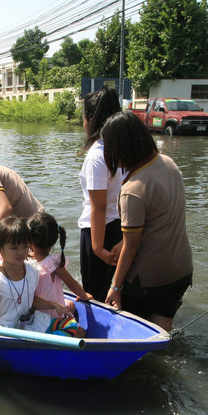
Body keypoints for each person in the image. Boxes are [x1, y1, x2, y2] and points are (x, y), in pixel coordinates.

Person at [102, 111, 193, 332]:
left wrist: (115, 287)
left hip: (149, 280)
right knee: (161, 330)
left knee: (130, 329)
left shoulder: (133, 189)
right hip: (181, 271)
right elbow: (160, 219)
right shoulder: (169, 163)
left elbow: (132, 246)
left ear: (122, 148)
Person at [0, 216, 72, 333]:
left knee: (71, 325)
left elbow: (31, 300)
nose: (21, 252)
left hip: (30, 323)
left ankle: (48, 344)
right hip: (7, 330)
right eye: (14, 248)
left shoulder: (31, 270)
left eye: (25, 246)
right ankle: (48, 344)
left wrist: (55, 305)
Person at [77, 87, 125, 301]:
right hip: (122, 229)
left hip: (98, 233)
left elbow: (99, 207)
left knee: (95, 295)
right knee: (117, 293)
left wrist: (97, 249)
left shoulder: (97, 155)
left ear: (90, 119)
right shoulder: (123, 150)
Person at [27, 212, 91, 337]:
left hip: (33, 312)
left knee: (70, 304)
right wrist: (84, 295)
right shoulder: (54, 263)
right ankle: (57, 336)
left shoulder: (25, 262)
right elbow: (71, 283)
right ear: (56, 239)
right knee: (81, 332)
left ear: (29, 239)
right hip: (52, 313)